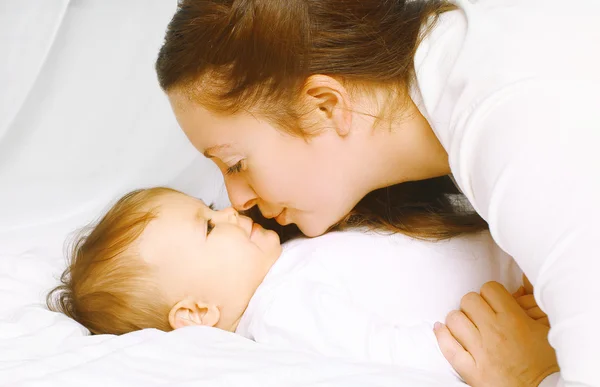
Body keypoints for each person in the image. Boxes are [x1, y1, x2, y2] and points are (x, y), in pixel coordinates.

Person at [154, 1, 600, 386]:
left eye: (235, 163)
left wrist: (530, 378)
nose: (235, 201)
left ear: (325, 105)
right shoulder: (461, 72)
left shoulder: (516, 124)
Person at [47, 187, 556, 385]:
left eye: (208, 206)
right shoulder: (282, 313)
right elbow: (387, 358)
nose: (228, 212)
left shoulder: (286, 260)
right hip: (529, 312)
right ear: (197, 312)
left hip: (527, 252)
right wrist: (494, 345)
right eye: (207, 224)